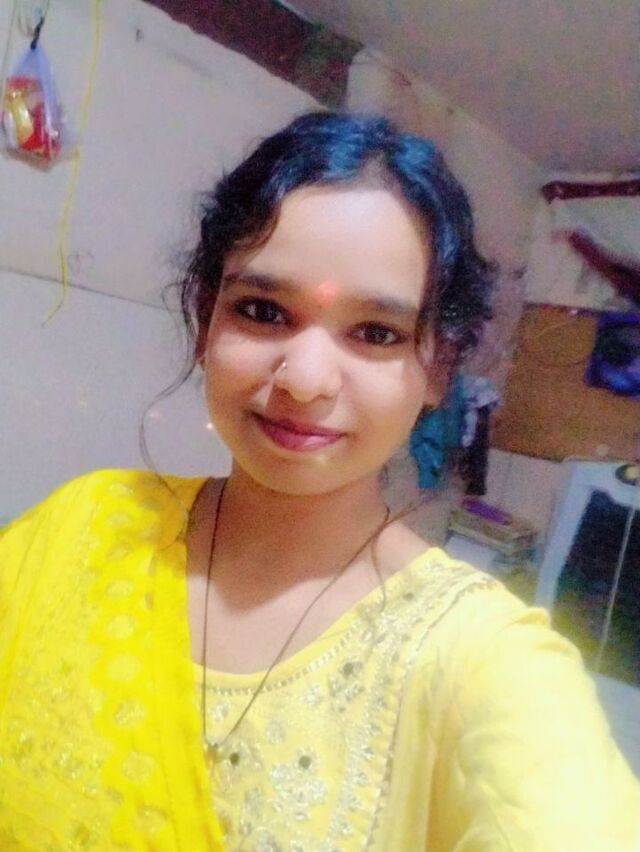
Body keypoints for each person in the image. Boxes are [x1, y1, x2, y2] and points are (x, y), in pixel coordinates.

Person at [0, 111, 638, 852]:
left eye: (376, 333)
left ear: (438, 367)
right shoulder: (85, 523)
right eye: (263, 311)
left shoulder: (485, 664)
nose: (303, 380)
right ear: (207, 322)